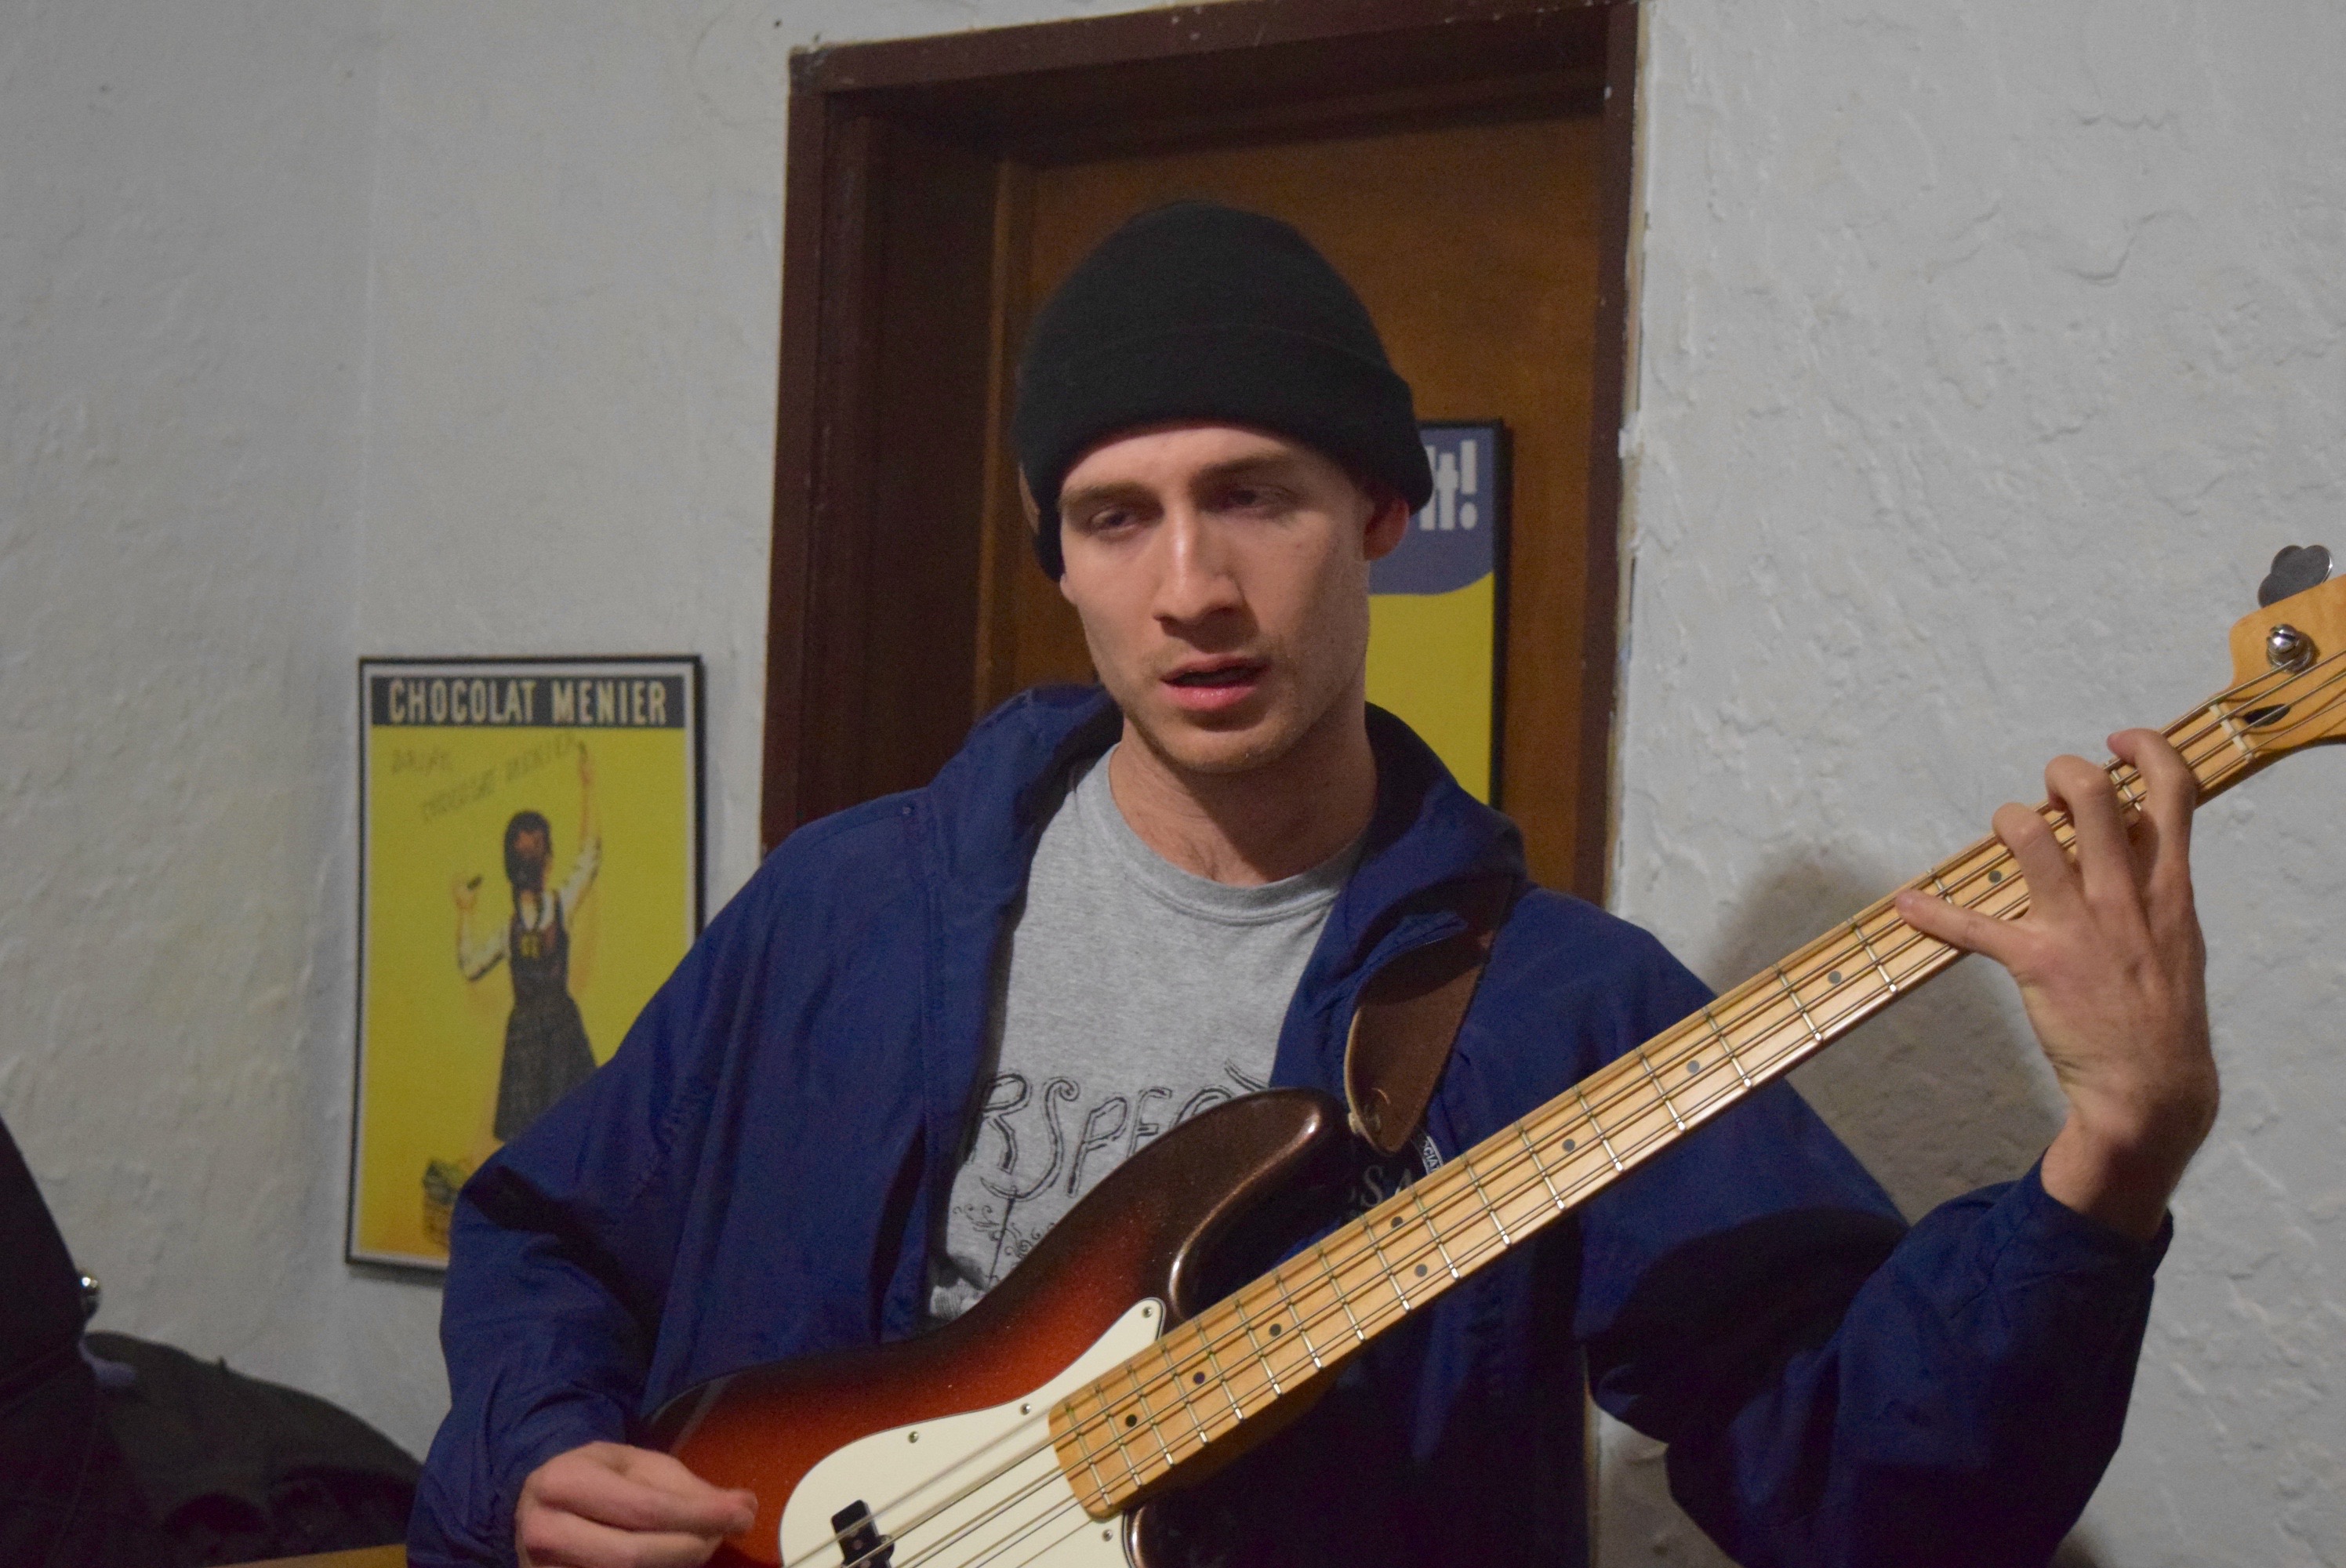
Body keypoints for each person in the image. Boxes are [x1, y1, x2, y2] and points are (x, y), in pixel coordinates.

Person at [412, 205, 2217, 1568]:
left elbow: (1855, 1488)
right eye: (1116, 516)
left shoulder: (1556, 1012)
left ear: (1378, 515)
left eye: (1251, 496)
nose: (1189, 586)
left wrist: (2106, 1168)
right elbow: (545, 1233)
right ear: (1060, 561)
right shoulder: (842, 909)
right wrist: (534, 1452)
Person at [452, 745, 603, 1143]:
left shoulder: (510, 931)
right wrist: (588, 786)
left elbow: (469, 965)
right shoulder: (560, 906)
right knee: (567, 1135)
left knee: (536, 1141)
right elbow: (590, 857)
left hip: (528, 1042)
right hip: (555, 1035)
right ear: (549, 860)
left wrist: (465, 913)